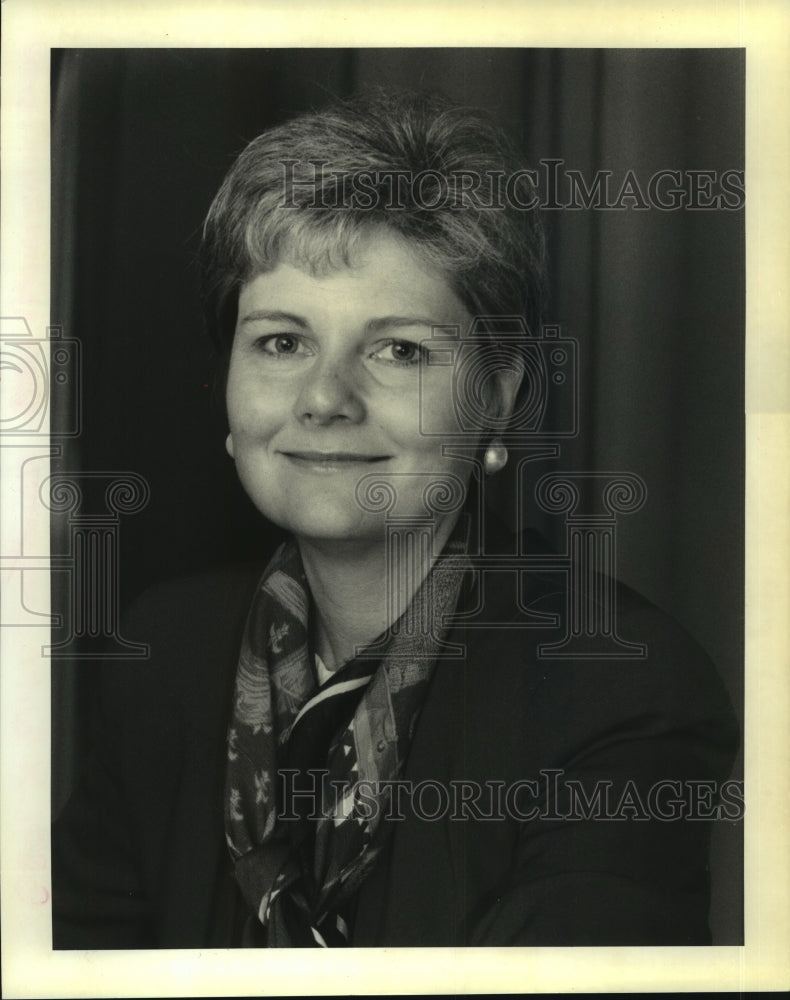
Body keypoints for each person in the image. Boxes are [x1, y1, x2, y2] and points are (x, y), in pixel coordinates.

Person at [52, 90, 738, 948]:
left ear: (499, 396)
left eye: (399, 350)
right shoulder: (165, 654)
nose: (326, 399)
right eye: (282, 342)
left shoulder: (621, 690)